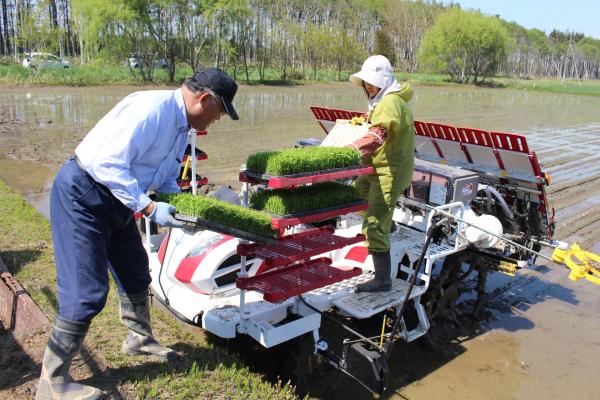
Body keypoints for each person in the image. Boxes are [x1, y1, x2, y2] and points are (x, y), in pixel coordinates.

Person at [36, 68, 239, 400]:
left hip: (118, 200)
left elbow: (166, 176)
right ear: (205, 99)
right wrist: (148, 208)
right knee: (85, 292)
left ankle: (138, 340)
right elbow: (106, 164)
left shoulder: (181, 127)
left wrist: (181, 207)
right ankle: (52, 382)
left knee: (135, 272)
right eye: (220, 113)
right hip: (85, 195)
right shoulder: (152, 110)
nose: (217, 121)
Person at [348, 55, 415, 293]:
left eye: (373, 82)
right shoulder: (390, 99)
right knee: (355, 197)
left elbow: (377, 137)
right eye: (366, 82)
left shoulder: (389, 104)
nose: (368, 86)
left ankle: (382, 279)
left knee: (373, 225)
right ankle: (390, 226)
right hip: (378, 168)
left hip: (389, 172)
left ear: (384, 80)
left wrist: (347, 152)